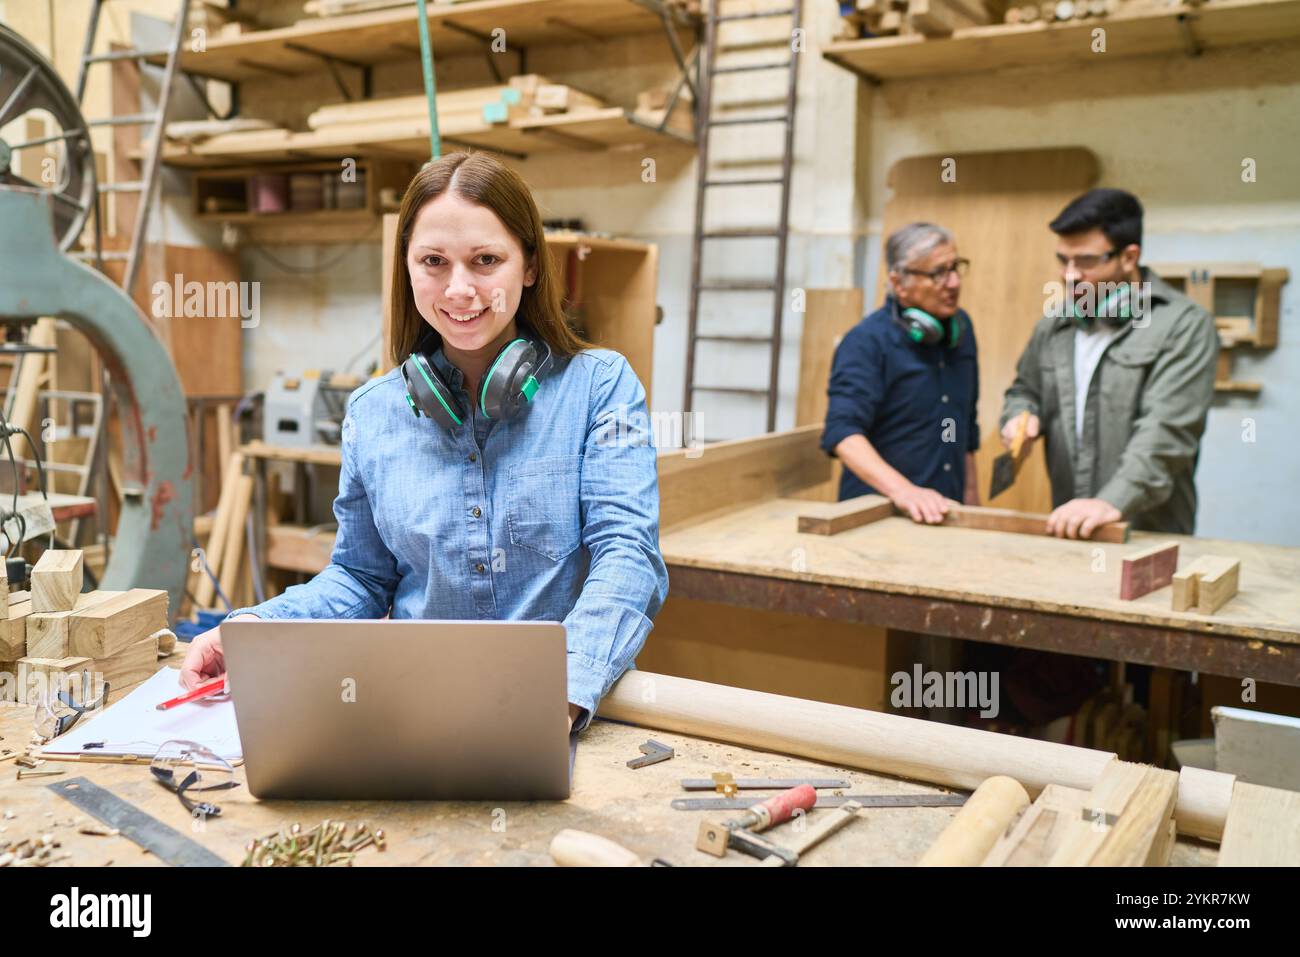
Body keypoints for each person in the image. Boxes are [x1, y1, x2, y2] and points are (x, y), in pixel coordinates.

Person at [181, 151, 669, 733]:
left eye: (486, 260)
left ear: (530, 267)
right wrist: (254, 630)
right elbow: (361, 579)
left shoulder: (600, 386)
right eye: (434, 261)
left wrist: (561, 691)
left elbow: (627, 554)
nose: (460, 289)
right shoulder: (373, 413)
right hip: (421, 713)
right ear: (407, 269)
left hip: (565, 713)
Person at [999, 188, 1218, 537]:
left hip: (1148, 533)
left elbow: (1166, 432)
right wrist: (1019, 417)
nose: (1069, 276)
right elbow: (1024, 390)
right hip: (1070, 524)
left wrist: (1110, 501)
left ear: (1129, 257)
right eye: (1062, 260)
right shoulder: (1055, 325)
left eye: (1085, 261)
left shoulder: (1183, 326)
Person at [821, 222, 980, 522]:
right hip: (878, 519)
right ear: (899, 283)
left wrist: (972, 501)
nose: (955, 282)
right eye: (939, 273)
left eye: (956, 267)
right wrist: (905, 492)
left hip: (947, 514)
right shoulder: (866, 342)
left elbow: (966, 426)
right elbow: (842, 434)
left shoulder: (962, 331)